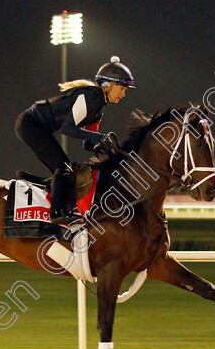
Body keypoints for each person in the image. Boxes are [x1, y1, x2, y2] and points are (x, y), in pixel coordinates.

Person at [15, 56, 135, 224]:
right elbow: (68, 128)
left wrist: (110, 150)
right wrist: (99, 137)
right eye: (122, 88)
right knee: (63, 168)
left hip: (36, 126)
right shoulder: (92, 96)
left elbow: (89, 142)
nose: (123, 94)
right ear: (108, 85)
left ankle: (51, 192)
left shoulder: (99, 108)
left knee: (65, 171)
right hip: (30, 124)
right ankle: (57, 213)